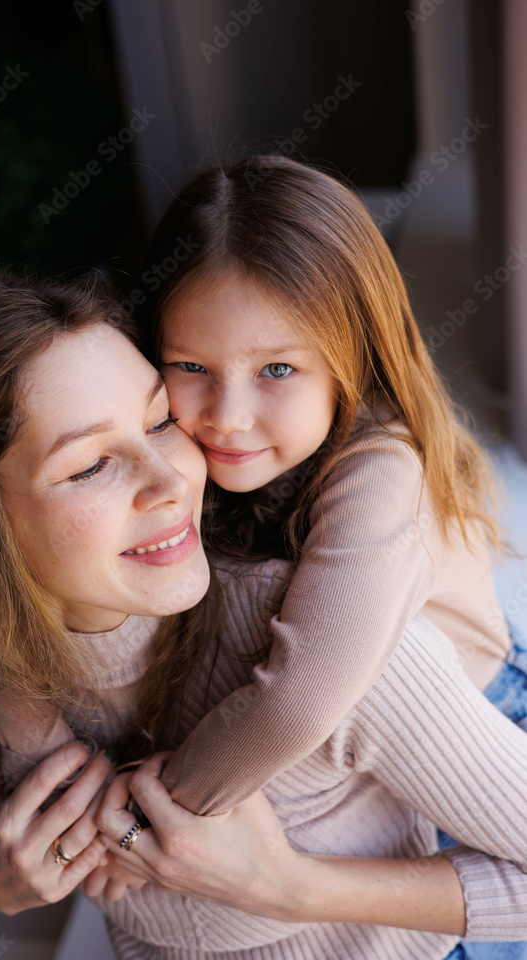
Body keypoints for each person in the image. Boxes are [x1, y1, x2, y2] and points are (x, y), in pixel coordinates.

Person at [0, 268, 527, 960]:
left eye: (158, 423)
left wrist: (289, 888)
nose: (171, 479)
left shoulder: (330, 656)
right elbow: (53, 835)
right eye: (90, 465)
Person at [133, 154, 526, 821]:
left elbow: (299, 700)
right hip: (360, 740)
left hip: (480, 728)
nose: (226, 417)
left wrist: (153, 812)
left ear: (356, 357)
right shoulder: (180, 432)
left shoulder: (381, 469)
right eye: (191, 365)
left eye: (277, 368)